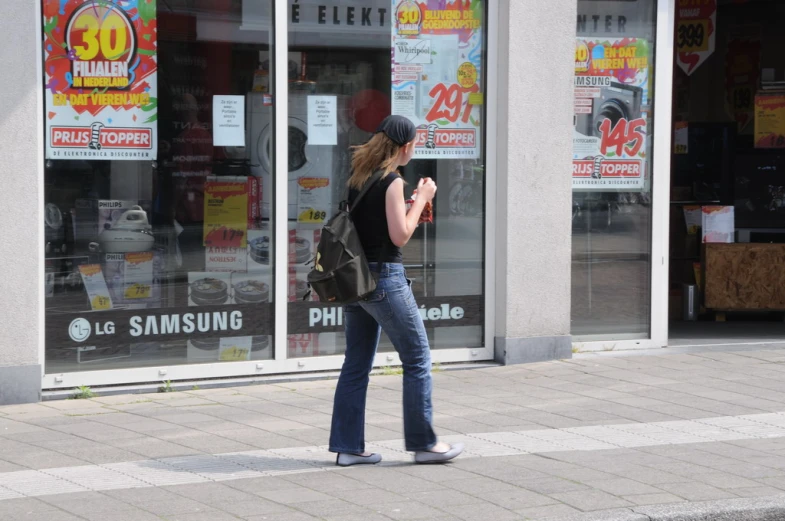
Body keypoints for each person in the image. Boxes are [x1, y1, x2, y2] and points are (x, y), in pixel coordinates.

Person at [329, 115, 464, 466]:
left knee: (356, 363)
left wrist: (411, 205)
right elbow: (399, 236)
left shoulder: (359, 178)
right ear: (405, 147)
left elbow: (374, 224)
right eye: (415, 144)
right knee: (417, 357)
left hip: (356, 281)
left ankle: (348, 448)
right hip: (384, 280)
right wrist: (422, 198)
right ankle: (423, 444)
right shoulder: (391, 182)